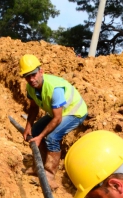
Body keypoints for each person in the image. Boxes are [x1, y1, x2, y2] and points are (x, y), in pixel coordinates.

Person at [19, 54, 88, 189]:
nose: (31, 79)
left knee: (52, 138)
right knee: (34, 131)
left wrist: (40, 137)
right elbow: (33, 108)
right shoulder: (30, 87)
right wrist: (28, 127)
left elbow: (57, 119)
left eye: (33, 74)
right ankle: (37, 168)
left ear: (41, 71)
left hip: (75, 112)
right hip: (57, 112)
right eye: (27, 76)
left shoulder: (54, 88)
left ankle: (49, 175)